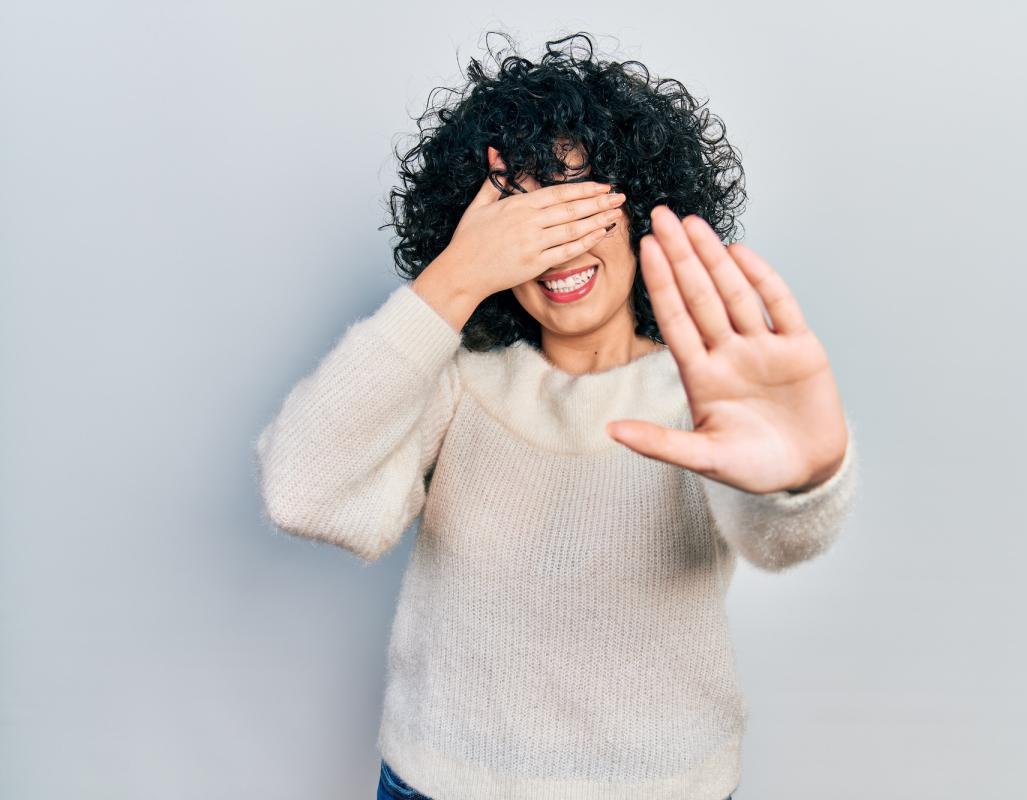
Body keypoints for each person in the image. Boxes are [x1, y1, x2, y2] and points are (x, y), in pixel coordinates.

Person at [254, 30, 859, 800]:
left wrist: (807, 478)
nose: (556, 246)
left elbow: (781, 535)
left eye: (578, 205)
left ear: (643, 212)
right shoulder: (457, 379)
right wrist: (456, 277)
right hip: (438, 784)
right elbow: (304, 492)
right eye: (523, 217)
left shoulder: (707, 394)